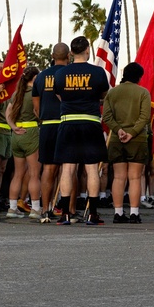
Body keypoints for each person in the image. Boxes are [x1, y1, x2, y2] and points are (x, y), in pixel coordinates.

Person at [52, 36, 110, 225]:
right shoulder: (98, 72)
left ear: (71, 53)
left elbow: (59, 94)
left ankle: (65, 213)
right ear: (87, 50)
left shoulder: (61, 73)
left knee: (67, 169)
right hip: (91, 121)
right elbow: (103, 94)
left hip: (68, 122)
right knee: (92, 169)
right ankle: (92, 214)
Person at [102, 62, 151, 224]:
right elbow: (144, 117)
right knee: (135, 177)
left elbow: (107, 117)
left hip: (117, 139)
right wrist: (132, 133)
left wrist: (119, 130)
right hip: (137, 139)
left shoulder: (112, 93)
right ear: (139, 77)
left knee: (118, 177)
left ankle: (118, 212)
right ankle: (134, 213)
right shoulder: (143, 93)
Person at [33, 43, 70, 223]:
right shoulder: (70, 74)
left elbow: (36, 107)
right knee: (68, 168)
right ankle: (68, 210)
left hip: (47, 125)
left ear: (52, 56)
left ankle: (45, 209)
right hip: (66, 123)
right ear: (68, 56)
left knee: (48, 168)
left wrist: (43, 115)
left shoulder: (41, 77)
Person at [5, 65, 42, 219]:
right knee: (34, 174)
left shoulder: (17, 94)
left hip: (17, 135)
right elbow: (37, 112)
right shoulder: (35, 94)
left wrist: (13, 127)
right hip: (31, 133)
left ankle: (12, 208)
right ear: (35, 78)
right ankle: (35, 209)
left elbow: (8, 113)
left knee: (18, 174)